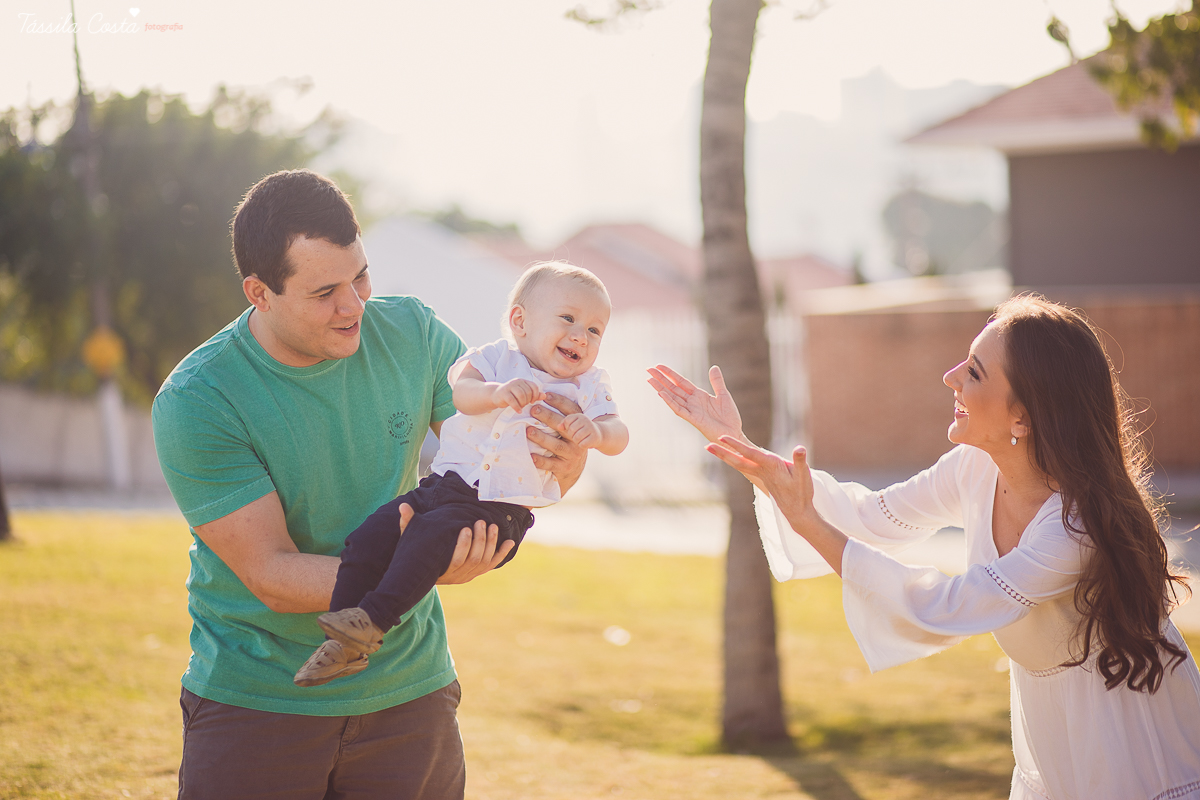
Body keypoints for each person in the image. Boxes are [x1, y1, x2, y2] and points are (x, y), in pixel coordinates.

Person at [649, 295, 1200, 800]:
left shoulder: (1075, 529)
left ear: (1023, 417)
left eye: (975, 372)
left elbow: (947, 607)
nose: (950, 377)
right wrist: (741, 446)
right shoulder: (975, 467)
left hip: (1129, 737)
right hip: (1052, 733)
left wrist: (806, 520)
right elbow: (870, 517)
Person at [152, 169, 589, 800]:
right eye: (325, 290)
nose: (354, 305)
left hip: (410, 696)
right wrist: (419, 567)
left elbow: (495, 456)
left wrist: (561, 466)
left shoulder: (412, 334)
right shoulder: (201, 399)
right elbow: (271, 574)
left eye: (360, 276)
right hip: (260, 702)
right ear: (260, 293)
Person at [294, 262, 629, 687]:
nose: (581, 335)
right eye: (568, 319)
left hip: (498, 508)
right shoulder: (493, 358)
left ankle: (371, 623)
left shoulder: (588, 386)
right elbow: (462, 394)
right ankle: (341, 634)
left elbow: (619, 434)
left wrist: (596, 431)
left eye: (595, 330)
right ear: (520, 322)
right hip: (440, 487)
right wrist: (497, 393)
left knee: (423, 538)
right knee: (372, 533)